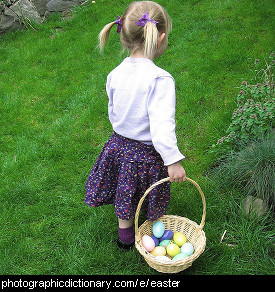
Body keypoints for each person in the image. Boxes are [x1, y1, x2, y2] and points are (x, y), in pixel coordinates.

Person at [85, 1, 186, 250]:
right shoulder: (160, 79)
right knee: (142, 192)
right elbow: (162, 126)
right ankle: (151, 235)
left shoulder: (115, 73)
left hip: (117, 146)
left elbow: (113, 110)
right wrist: (172, 160)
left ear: (124, 38)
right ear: (160, 38)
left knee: (125, 193)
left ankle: (126, 240)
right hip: (144, 154)